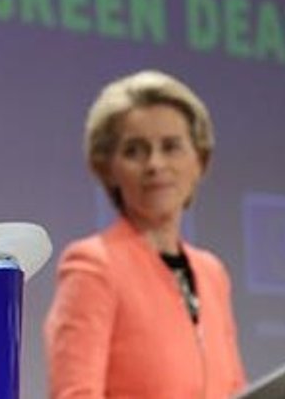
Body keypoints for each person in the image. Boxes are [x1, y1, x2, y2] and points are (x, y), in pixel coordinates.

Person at [43, 70, 246, 398]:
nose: (154, 164)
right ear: (108, 169)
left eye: (171, 147)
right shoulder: (93, 266)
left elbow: (236, 389)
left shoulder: (213, 273)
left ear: (200, 161)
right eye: (134, 150)